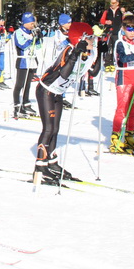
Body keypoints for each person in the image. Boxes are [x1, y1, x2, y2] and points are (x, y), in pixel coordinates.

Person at [34, 22, 96, 184]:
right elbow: (63, 73)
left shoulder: (89, 53)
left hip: (58, 93)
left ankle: (51, 161)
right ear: (80, 39)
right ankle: (40, 165)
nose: (93, 41)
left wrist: (102, 53)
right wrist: (75, 52)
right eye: (90, 38)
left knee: (55, 128)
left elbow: (94, 72)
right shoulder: (68, 50)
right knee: (48, 128)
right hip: (47, 90)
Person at [110, 15, 134, 154]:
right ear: (124, 29)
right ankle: (115, 137)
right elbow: (122, 59)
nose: (132, 32)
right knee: (122, 108)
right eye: (129, 28)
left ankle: (129, 136)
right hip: (123, 77)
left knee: (133, 109)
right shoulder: (120, 43)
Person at [13, 12, 41, 118]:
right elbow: (21, 45)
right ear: (25, 23)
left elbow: (38, 47)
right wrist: (31, 37)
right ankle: (17, 106)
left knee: (27, 85)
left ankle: (26, 103)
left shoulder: (31, 32)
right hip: (23, 61)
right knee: (20, 84)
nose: (32, 25)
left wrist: (38, 38)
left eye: (33, 23)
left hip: (32, 61)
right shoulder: (18, 32)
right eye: (30, 23)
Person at [100, 0, 125, 70]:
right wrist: (106, 22)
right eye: (111, 3)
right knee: (108, 48)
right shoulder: (107, 11)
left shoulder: (120, 11)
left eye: (114, 3)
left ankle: (115, 63)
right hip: (109, 32)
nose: (112, 4)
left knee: (116, 48)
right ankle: (107, 63)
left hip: (117, 32)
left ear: (117, 3)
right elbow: (102, 20)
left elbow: (124, 20)